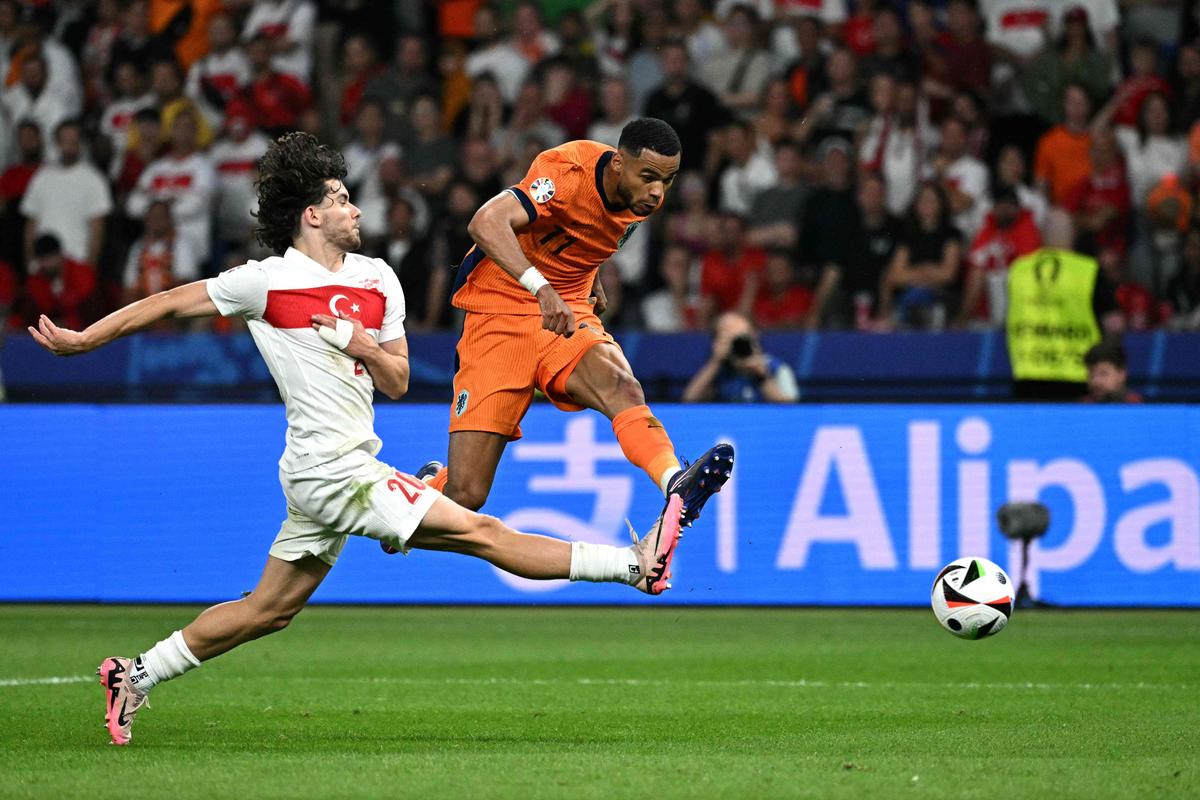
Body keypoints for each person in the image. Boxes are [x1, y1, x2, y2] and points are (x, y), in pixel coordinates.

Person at [28, 132, 687, 747]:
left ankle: (134, 672)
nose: (354, 207)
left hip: (341, 466)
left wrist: (367, 346)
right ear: (310, 215)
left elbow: (398, 380)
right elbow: (167, 303)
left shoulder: (378, 278)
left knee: (269, 610)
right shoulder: (266, 281)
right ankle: (633, 564)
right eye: (340, 199)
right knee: (480, 533)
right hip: (330, 470)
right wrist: (87, 339)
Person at [413, 119, 734, 544]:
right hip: (500, 312)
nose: (658, 192)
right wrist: (540, 287)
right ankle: (416, 498)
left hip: (566, 311)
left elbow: (584, 234)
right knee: (467, 494)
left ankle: (675, 482)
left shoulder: (641, 199)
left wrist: (589, 273)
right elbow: (485, 223)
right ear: (618, 164)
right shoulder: (566, 172)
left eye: (668, 180)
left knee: (622, 386)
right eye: (650, 177)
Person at [1006, 209, 1122, 400]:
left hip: (1028, 374)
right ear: (1072, 235)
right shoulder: (1088, 270)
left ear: (1041, 235)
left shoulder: (1018, 269)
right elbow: (1114, 323)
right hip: (1079, 376)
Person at [681, 310, 800, 403]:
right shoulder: (717, 371)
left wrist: (763, 377)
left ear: (755, 335)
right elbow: (689, 399)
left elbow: (791, 409)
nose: (738, 344)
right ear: (716, 341)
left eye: (743, 337)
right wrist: (715, 362)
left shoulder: (777, 368)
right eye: (731, 338)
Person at [1082, 338, 1142, 403]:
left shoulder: (1137, 406)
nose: (1096, 381)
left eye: (1103, 374)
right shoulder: (1081, 406)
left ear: (1122, 374)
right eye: (1091, 374)